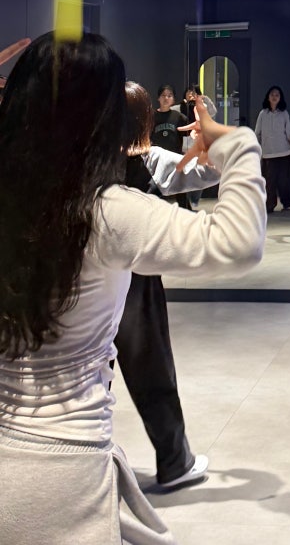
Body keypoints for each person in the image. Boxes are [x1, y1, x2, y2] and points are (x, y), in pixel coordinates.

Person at [0, 33, 266, 545]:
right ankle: (176, 459)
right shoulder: (105, 212)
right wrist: (235, 143)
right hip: (62, 468)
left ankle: (176, 457)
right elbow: (238, 242)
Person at [115, 81, 223, 491]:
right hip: (136, 280)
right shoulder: (150, 159)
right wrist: (206, 140)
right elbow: (208, 172)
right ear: (145, 119)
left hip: (86, 274)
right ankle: (175, 462)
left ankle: (85, 462)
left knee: (87, 374)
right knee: (152, 370)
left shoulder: (79, 156)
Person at [255, 85, 290, 212]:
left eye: (277, 95)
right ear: (268, 97)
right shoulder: (262, 114)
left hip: (284, 152)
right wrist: (255, 147)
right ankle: (269, 205)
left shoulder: (284, 114)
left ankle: (286, 203)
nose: (274, 97)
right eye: (272, 95)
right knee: (269, 182)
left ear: (280, 98)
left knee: (284, 181)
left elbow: (289, 131)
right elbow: (257, 133)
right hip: (268, 154)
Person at [152, 83, 189, 153]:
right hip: (157, 156)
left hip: (174, 156)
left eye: (169, 96)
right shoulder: (151, 117)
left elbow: (189, 134)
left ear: (173, 100)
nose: (166, 98)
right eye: (163, 95)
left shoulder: (179, 117)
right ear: (158, 98)